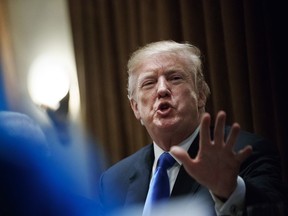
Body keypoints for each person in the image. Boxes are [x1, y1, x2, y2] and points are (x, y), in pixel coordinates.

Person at [97, 40, 287, 215]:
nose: (162, 89)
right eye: (149, 83)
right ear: (136, 107)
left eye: (175, 78)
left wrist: (230, 192)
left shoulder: (245, 153)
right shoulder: (114, 180)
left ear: (201, 94)